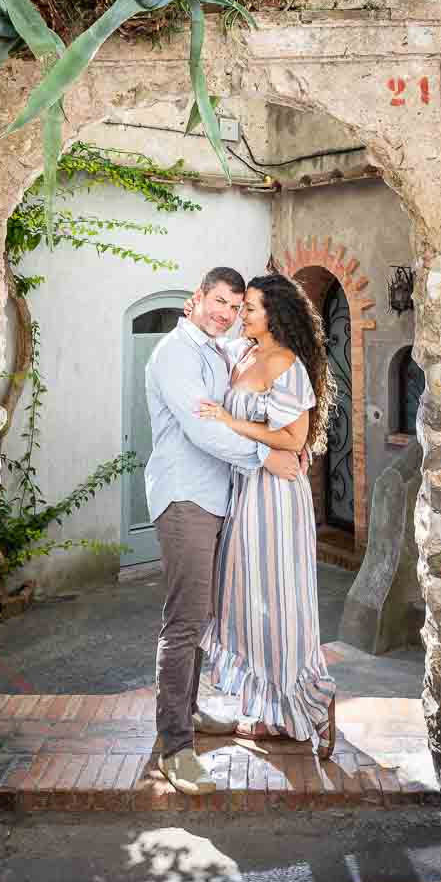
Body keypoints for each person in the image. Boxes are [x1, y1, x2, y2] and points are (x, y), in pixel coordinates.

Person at [144, 267, 302, 796]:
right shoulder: (176, 354)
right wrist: (267, 456)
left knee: (201, 616)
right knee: (185, 622)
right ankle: (175, 748)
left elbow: (263, 370)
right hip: (185, 496)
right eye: (219, 302)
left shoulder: (216, 348)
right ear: (197, 298)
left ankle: (186, 714)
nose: (226, 314)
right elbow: (201, 429)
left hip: (215, 499)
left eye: (236, 307)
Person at [196, 273, 338, 757]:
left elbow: (293, 441)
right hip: (244, 486)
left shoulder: (286, 364)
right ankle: (272, 706)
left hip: (275, 496)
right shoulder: (243, 353)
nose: (243, 314)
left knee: (280, 597)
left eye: (251, 307)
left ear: (274, 313)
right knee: (243, 596)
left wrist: (229, 421)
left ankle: (312, 702)